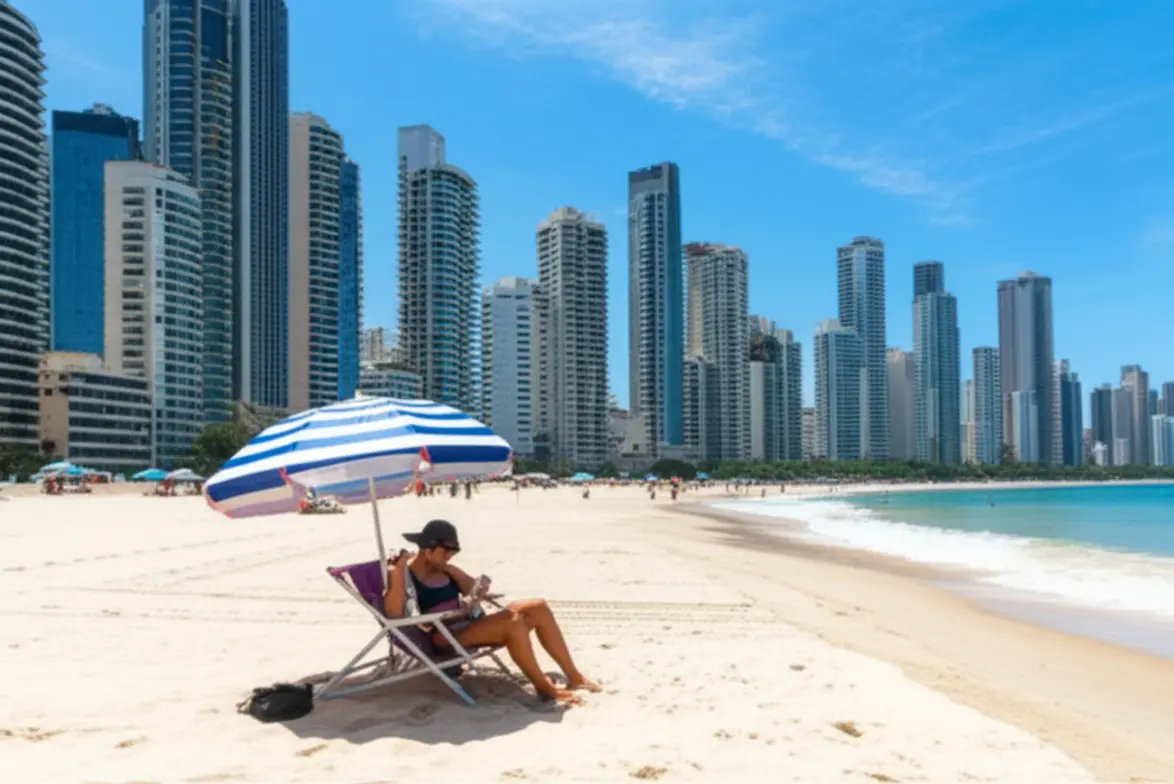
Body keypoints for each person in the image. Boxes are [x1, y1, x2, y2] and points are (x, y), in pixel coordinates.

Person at [383, 519, 599, 706]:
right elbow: (392, 613)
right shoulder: (405, 574)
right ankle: (545, 689)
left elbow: (472, 590)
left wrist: (461, 578)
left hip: (467, 623)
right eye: (446, 551)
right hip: (443, 636)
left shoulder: (445, 570)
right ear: (428, 550)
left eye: (454, 552)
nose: (450, 556)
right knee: (513, 623)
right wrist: (397, 572)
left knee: (538, 607)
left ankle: (574, 677)